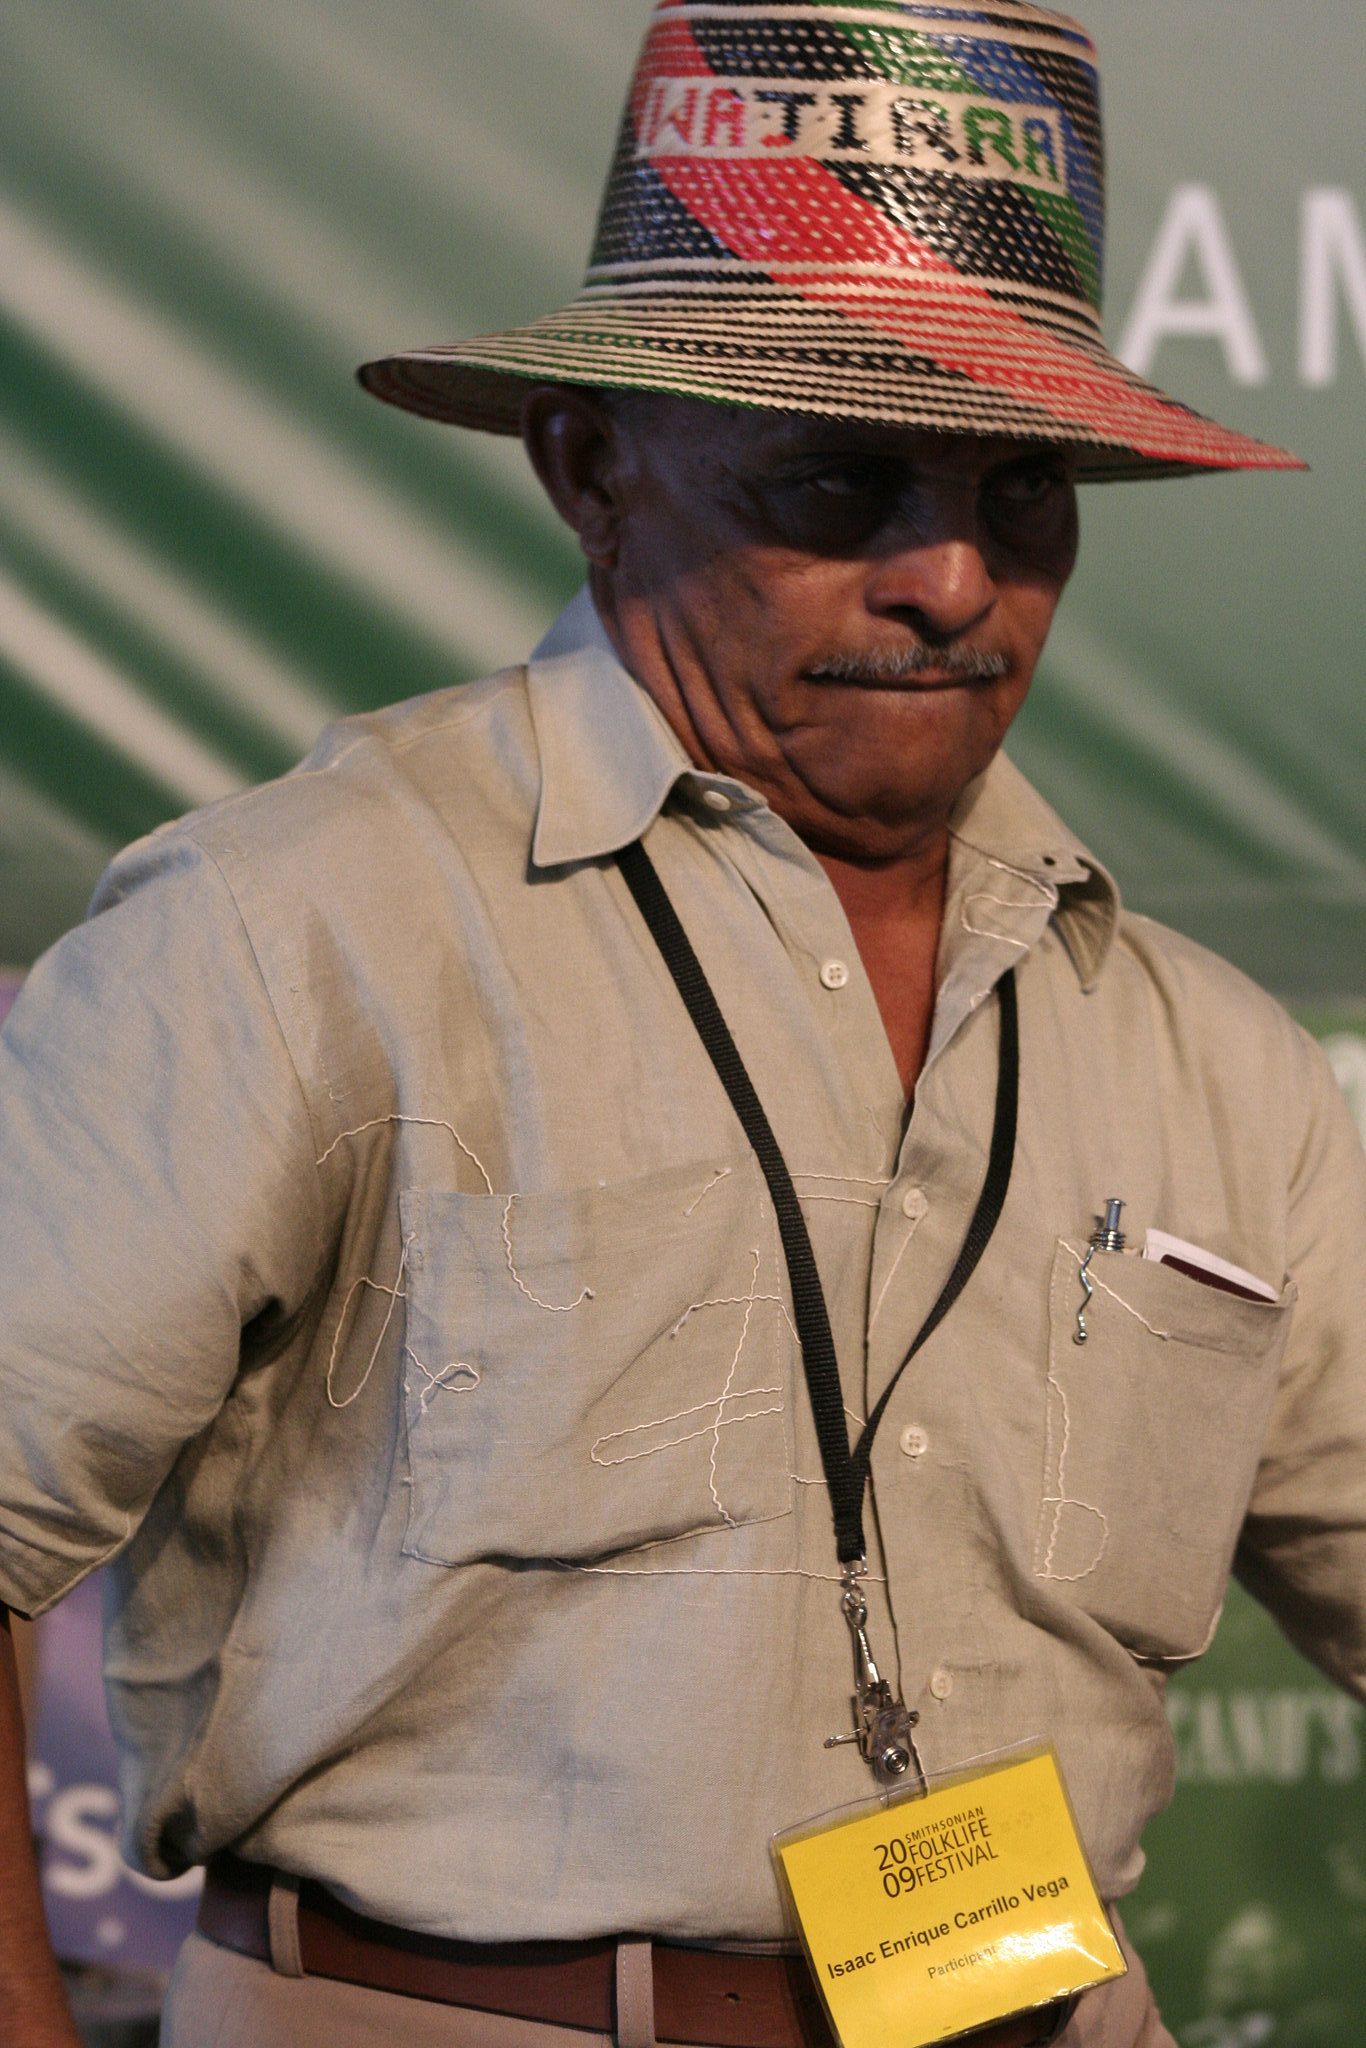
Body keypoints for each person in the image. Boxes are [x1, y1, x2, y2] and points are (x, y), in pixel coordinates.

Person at [1, 4, 1362, 2046]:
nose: (948, 573)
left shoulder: (1212, 1060)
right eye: (838, 477)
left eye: (1022, 485)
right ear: (589, 468)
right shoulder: (297, 930)